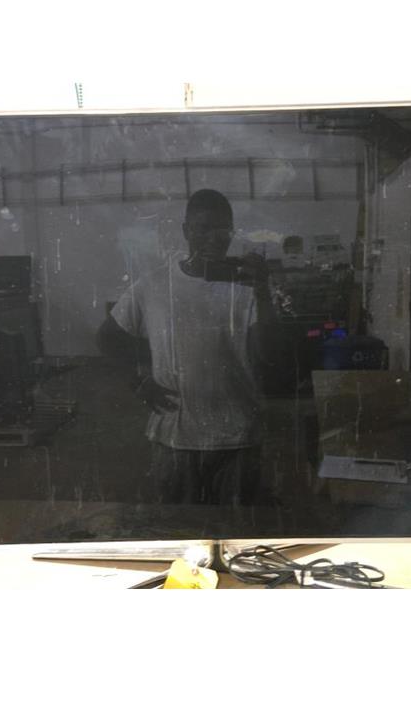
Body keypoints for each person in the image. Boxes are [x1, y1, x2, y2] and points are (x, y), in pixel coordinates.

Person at [97, 189, 281, 506]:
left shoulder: (248, 287)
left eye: (222, 230)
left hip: (237, 437)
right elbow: (107, 338)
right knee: (176, 527)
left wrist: (263, 292)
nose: (213, 238)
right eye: (203, 228)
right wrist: (137, 380)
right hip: (175, 437)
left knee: (236, 529)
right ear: (186, 231)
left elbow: (269, 356)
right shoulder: (155, 285)